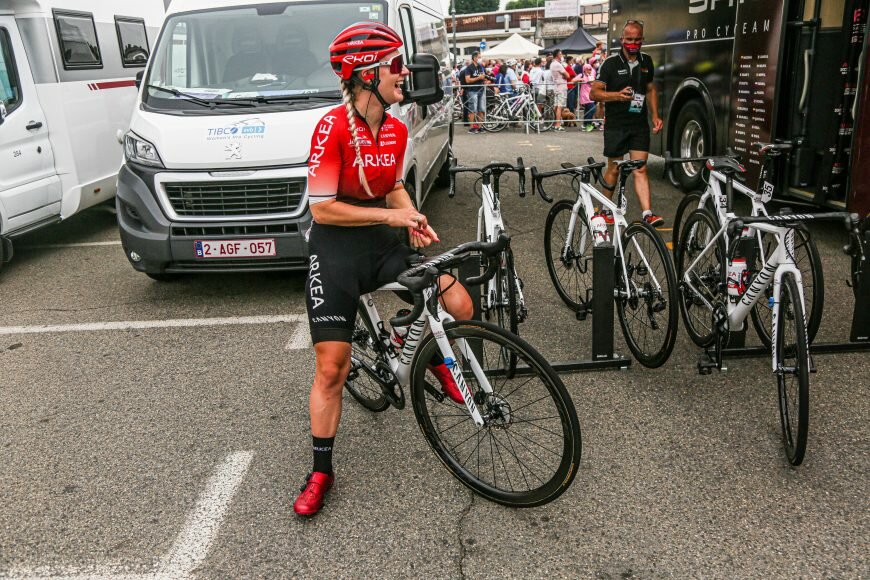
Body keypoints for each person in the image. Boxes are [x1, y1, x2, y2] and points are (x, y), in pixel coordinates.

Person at [296, 21, 474, 517]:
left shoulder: (396, 128)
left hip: (380, 244)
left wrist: (411, 214)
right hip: (335, 252)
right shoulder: (331, 127)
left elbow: (392, 186)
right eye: (396, 64)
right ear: (367, 73)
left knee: (458, 300)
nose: (405, 73)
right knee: (331, 369)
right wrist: (390, 216)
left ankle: (421, 348)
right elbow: (322, 209)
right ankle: (321, 472)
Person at [590, 20, 664, 226]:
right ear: (622, 40)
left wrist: (655, 116)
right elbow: (594, 93)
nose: (633, 44)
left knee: (640, 168)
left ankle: (648, 213)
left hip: (638, 124)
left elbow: (650, 89)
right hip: (616, 124)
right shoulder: (610, 63)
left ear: (642, 40)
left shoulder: (646, 61)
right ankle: (605, 210)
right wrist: (617, 95)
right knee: (614, 168)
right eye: (629, 39)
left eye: (637, 40)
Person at [462, 51, 486, 133]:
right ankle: (471, 128)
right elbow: (467, 80)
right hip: (472, 90)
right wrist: (479, 78)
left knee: (481, 109)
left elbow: (483, 76)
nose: (480, 59)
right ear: (474, 58)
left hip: (481, 90)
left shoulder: (480, 67)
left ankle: (480, 127)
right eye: (479, 57)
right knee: (473, 109)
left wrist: (484, 78)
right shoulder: (469, 68)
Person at [549, 49, 571, 131]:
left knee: (556, 106)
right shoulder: (558, 64)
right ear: (558, 55)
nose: (562, 56)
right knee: (559, 106)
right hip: (561, 86)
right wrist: (564, 75)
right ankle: (558, 124)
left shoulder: (552, 64)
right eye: (561, 54)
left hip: (556, 86)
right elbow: (567, 75)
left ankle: (554, 123)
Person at [575, 62, 596, 131]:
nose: (589, 70)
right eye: (588, 69)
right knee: (592, 109)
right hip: (584, 95)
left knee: (587, 110)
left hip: (591, 94)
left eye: (590, 69)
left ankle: (585, 124)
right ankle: (588, 125)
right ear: (584, 69)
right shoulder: (581, 75)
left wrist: (591, 80)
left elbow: (593, 84)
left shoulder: (591, 76)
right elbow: (573, 80)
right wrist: (581, 79)